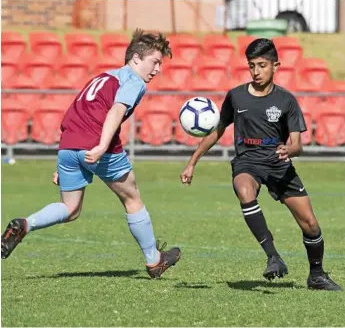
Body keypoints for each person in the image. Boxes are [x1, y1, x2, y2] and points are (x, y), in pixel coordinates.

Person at [1, 29, 181, 279]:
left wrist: (67, 157)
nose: (158, 69)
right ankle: (154, 261)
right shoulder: (133, 81)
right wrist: (101, 146)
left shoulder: (103, 76)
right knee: (132, 199)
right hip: (97, 144)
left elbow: (75, 110)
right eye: (155, 62)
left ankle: (25, 224)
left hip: (69, 143)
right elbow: (116, 111)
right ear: (137, 58)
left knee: (70, 208)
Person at [180, 38, 341, 291]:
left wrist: (290, 150)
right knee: (243, 188)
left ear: (275, 65)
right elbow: (216, 131)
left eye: (262, 65)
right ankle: (273, 256)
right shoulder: (236, 97)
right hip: (248, 161)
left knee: (310, 224)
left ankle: (317, 276)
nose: (256, 72)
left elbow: (298, 144)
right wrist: (192, 162)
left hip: (278, 163)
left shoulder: (286, 100)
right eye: (251, 66)